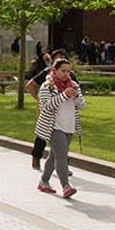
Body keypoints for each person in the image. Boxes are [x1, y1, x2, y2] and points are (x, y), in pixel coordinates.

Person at [35, 59, 84, 198]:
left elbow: (82, 105)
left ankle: (43, 181)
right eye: (63, 71)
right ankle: (66, 186)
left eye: (68, 71)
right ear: (55, 70)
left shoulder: (73, 85)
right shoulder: (47, 86)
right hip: (54, 126)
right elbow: (46, 106)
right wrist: (64, 95)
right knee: (62, 154)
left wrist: (76, 97)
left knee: (54, 155)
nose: (66, 74)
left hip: (69, 126)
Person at [26, 50, 74, 170]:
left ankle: (62, 166)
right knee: (42, 135)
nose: (65, 73)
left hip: (63, 113)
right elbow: (30, 85)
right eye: (57, 60)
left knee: (63, 140)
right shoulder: (47, 75)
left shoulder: (70, 76)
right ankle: (36, 159)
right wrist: (39, 99)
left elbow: (77, 92)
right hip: (49, 111)